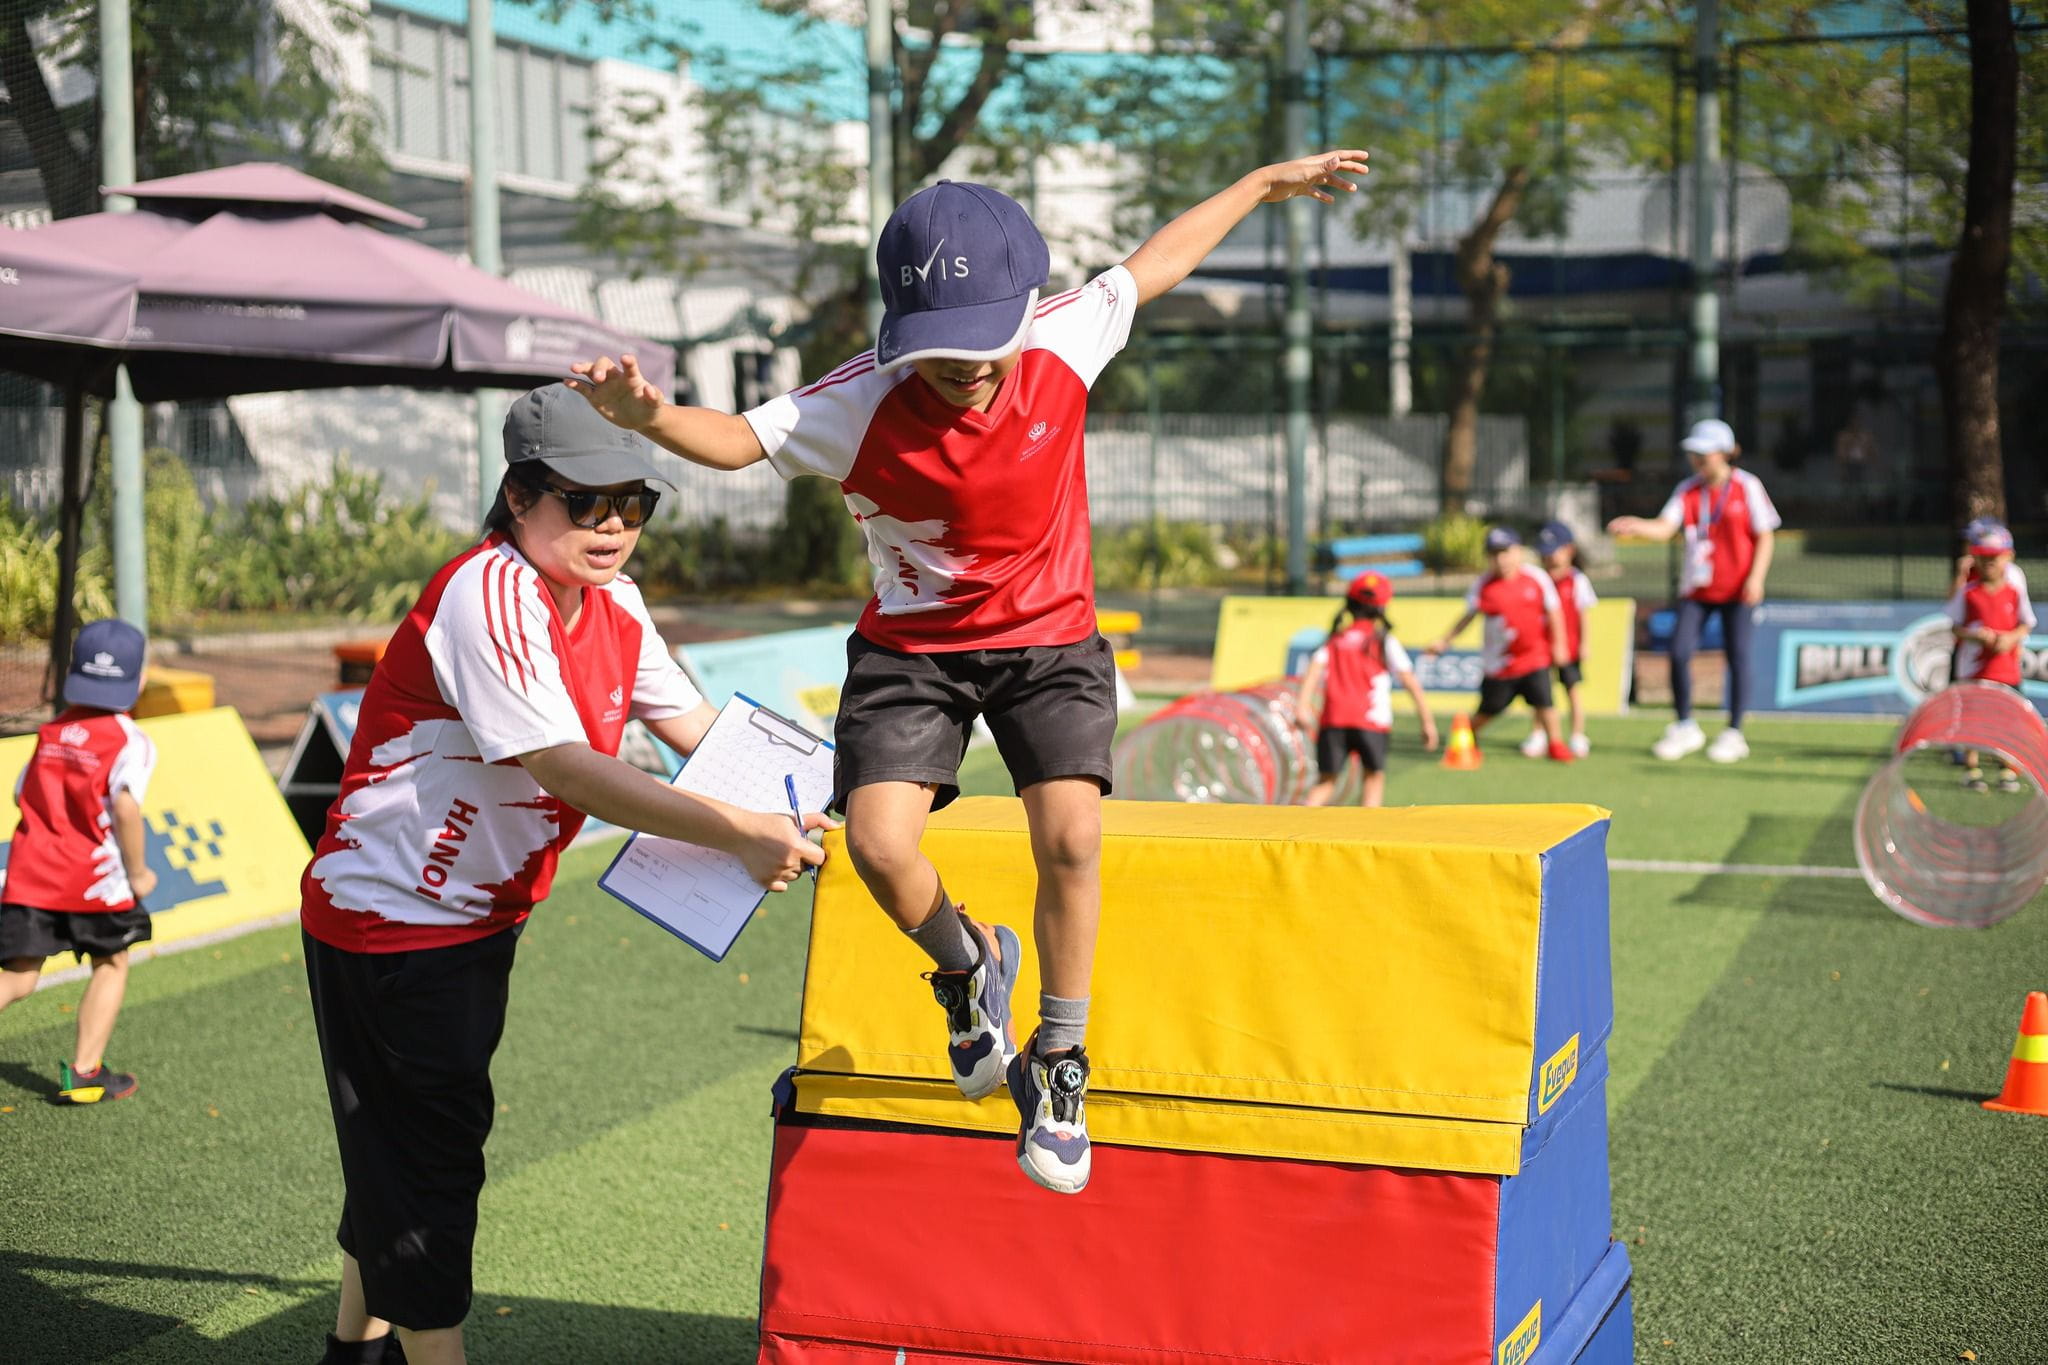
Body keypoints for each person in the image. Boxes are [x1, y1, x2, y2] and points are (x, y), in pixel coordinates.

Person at [569, 150, 1371, 1196]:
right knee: (877, 845)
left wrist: (1260, 186)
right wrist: (650, 419)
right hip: (913, 651)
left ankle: (1061, 1055)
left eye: (984, 342)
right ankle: (966, 967)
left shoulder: (1068, 336)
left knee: (1071, 836)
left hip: (1051, 640)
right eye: (937, 347)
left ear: (1027, 307)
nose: (963, 366)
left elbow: (1157, 260)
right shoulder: (857, 402)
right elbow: (734, 440)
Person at [300, 385, 828, 1365]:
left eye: (635, 502)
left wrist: (815, 802)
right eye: (586, 501)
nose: (614, 525)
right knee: (430, 1159)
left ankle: (352, 1352)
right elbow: (565, 765)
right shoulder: (487, 591)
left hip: (474, 918)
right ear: (517, 496)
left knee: (401, 1148)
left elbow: (695, 731)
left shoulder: (614, 602)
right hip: (389, 919)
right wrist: (738, 833)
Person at [0, 618, 159, 1104]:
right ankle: (85, 1072)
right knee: (111, 961)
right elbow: (126, 808)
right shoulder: (130, 740)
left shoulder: (53, 731)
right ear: (139, 680)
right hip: (95, 882)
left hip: (31, 875)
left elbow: (20, 794)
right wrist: (138, 872)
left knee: (18, 976)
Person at [1607, 418, 1779, 764]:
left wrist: (1756, 578)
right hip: (1697, 590)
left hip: (1737, 591)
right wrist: (1637, 525)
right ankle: (1685, 725)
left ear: (1725, 453)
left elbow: (1765, 535)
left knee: (1738, 656)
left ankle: (1734, 732)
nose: (1697, 460)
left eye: (1705, 453)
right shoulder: (1687, 490)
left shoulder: (1747, 486)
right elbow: (1665, 527)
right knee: (1679, 650)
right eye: (1694, 453)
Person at [1425, 527, 1574, 762]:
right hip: (1501, 664)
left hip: (1534, 656)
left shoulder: (1536, 578)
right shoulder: (1484, 585)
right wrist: (1445, 641)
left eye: (1505, 552)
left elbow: (1554, 612)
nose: (1501, 559)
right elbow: (1468, 616)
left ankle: (1555, 743)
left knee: (1545, 701)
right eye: (1494, 554)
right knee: (1490, 708)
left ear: (1518, 552)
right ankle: (1468, 734)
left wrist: (1559, 644)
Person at [1294, 571, 1438, 807]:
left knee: (1325, 783)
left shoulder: (1335, 640)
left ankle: (1296, 823)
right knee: (1373, 779)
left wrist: (1302, 706)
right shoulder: (1383, 641)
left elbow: (1313, 671)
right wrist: (1427, 722)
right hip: (1371, 722)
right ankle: (1368, 829)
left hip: (1334, 721)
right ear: (1382, 608)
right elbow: (1410, 682)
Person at [1945, 521, 2036, 793]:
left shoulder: (2013, 583)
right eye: (1982, 556)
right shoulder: (1969, 588)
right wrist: (1976, 635)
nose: (1989, 562)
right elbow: (1953, 620)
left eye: (1995, 556)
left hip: (2005, 665)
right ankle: (1971, 767)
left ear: (2008, 556)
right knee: (1973, 716)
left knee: (2008, 716)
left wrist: (2010, 639)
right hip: (1975, 668)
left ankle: (2007, 766)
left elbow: (2024, 622)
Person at [1520, 521, 1597, 759]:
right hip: (1541, 648)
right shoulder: (1539, 580)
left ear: (1569, 550)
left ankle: (1577, 735)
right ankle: (1538, 734)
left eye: (1554, 551)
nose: (1549, 557)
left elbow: (1583, 615)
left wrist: (1584, 644)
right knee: (1541, 695)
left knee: (1571, 691)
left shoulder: (1577, 580)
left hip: (1568, 649)